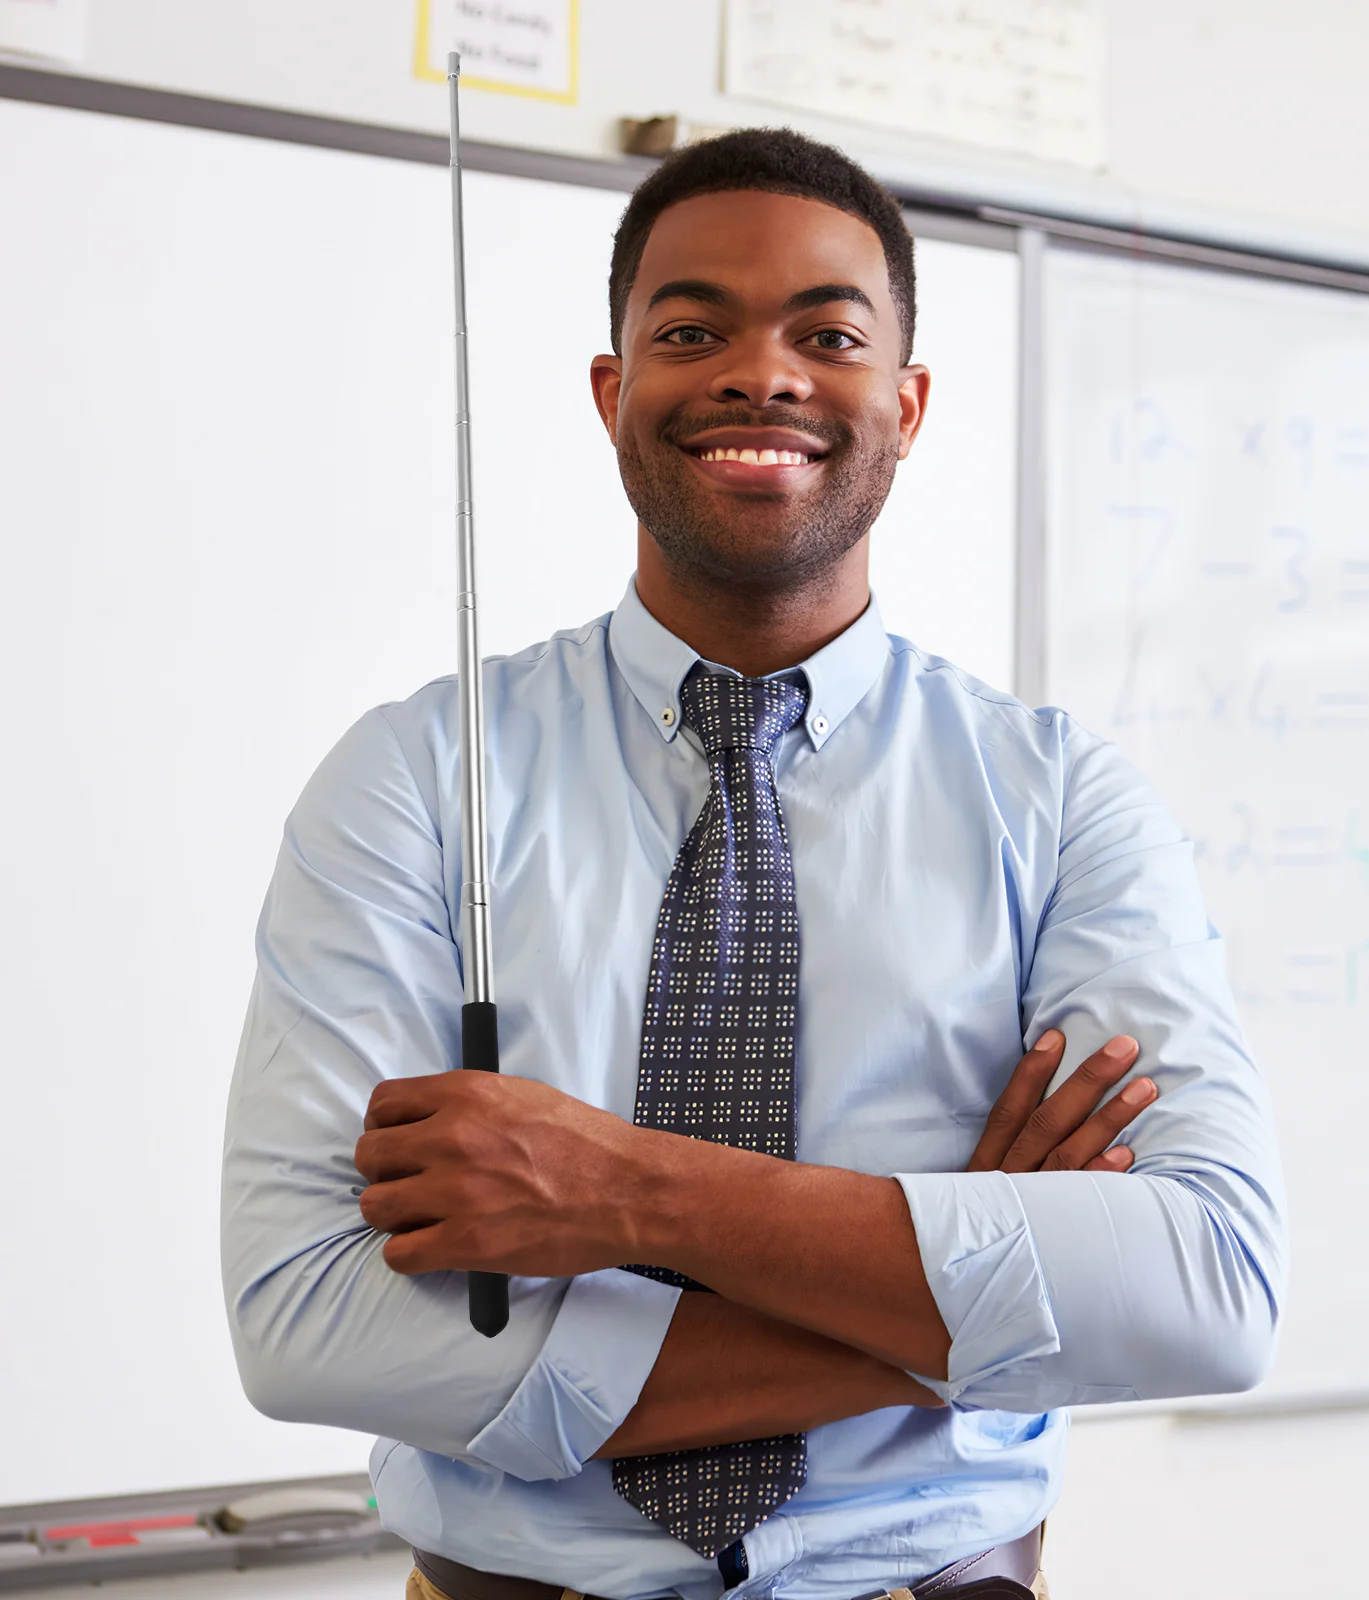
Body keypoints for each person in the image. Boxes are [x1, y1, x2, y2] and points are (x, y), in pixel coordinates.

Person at [221, 128, 1285, 1600]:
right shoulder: (416, 779)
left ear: (906, 406)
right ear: (615, 394)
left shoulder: (1062, 804)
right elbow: (305, 1321)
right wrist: (950, 1292)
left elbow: (1205, 1289)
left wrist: (626, 1194)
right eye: (691, 329)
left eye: (829, 334)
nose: (761, 374)